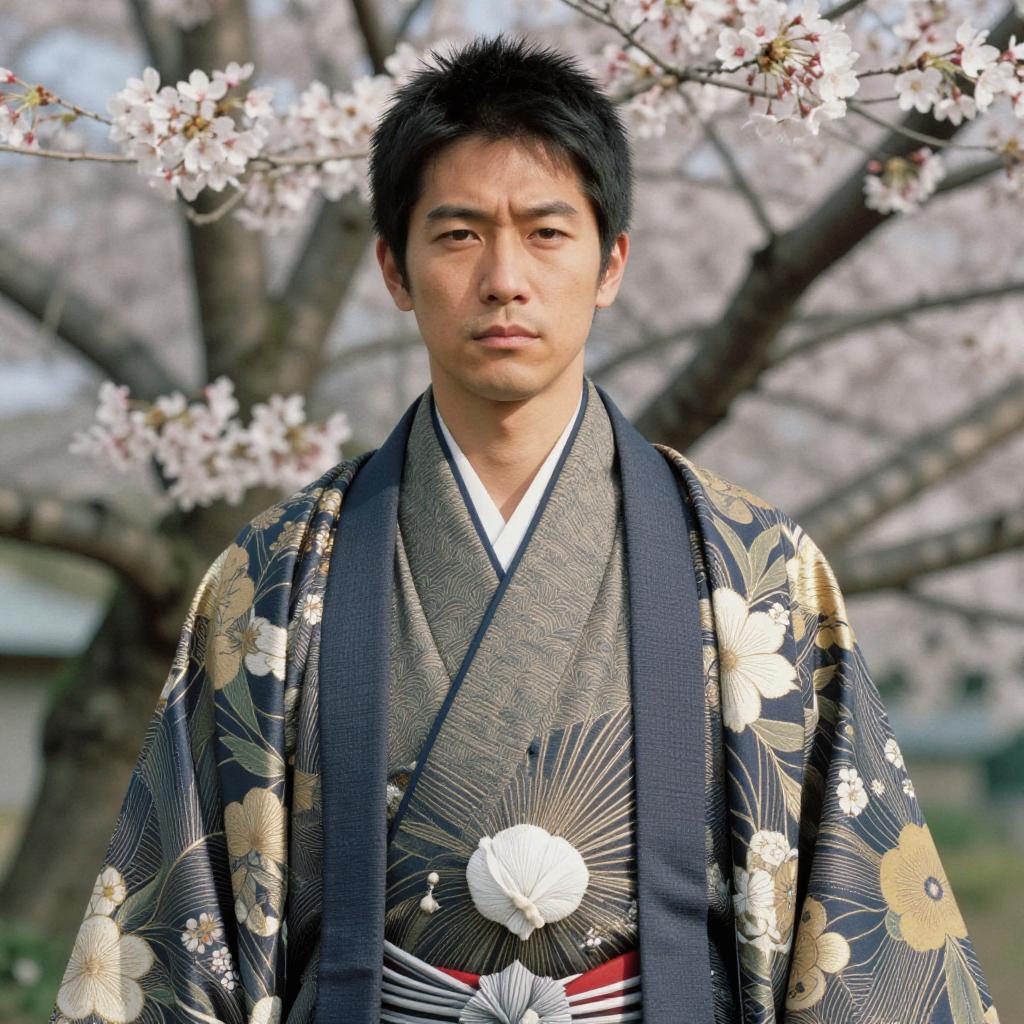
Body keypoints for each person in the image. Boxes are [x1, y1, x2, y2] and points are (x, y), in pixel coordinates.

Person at [51, 33, 996, 1024]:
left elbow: (856, 936)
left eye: (546, 233)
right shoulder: (275, 576)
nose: (504, 278)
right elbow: (178, 931)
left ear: (611, 262)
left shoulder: (755, 572)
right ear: (393, 267)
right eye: (458, 235)